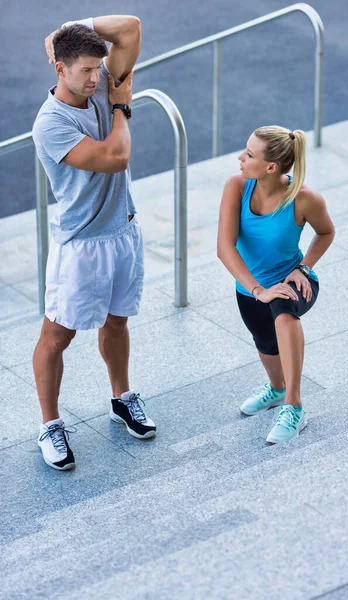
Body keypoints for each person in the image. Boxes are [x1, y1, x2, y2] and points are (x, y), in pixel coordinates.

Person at [32, 15, 156, 471]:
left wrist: (65, 27)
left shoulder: (101, 81)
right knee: (57, 337)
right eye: (84, 70)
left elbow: (131, 27)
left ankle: (121, 397)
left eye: (96, 69)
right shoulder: (51, 124)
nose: (94, 78)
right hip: (82, 244)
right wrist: (122, 106)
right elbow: (114, 157)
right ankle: (50, 424)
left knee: (118, 323)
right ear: (59, 69)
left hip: (123, 230)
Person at [217, 126, 335, 444]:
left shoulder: (304, 199)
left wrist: (304, 267)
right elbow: (224, 247)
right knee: (266, 342)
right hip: (251, 288)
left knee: (283, 311)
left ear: (271, 167)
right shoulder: (237, 186)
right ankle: (277, 389)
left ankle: (294, 406)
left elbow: (326, 232)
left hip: (293, 279)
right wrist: (258, 290)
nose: (240, 158)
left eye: (249, 154)